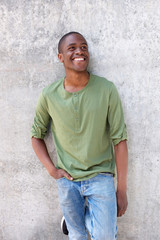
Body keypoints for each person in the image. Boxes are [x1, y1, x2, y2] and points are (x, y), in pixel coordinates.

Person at [31, 31, 128, 240]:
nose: (79, 51)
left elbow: (120, 140)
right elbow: (36, 135)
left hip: (100, 177)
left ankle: (84, 218)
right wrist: (52, 170)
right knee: (76, 236)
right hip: (68, 180)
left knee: (105, 236)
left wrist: (121, 189)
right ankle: (77, 221)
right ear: (60, 57)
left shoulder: (106, 89)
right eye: (72, 48)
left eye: (83, 47)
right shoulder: (49, 95)